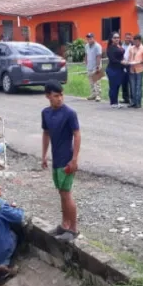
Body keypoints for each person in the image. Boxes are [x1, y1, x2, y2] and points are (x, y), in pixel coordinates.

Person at [41, 81, 81, 242]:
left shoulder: (69, 113)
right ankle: (64, 225)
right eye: (56, 96)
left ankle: (73, 229)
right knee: (61, 194)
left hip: (67, 160)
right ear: (48, 96)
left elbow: (77, 135)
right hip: (56, 159)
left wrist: (74, 159)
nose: (60, 99)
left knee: (66, 193)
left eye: (61, 95)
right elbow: (46, 134)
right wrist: (44, 155)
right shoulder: (46, 113)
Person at [125, 34, 143, 109]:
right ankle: (133, 102)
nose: (136, 43)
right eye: (134, 41)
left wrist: (140, 61)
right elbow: (129, 58)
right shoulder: (131, 48)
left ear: (140, 41)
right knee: (132, 86)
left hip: (139, 69)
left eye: (137, 41)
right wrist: (128, 62)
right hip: (132, 69)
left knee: (138, 86)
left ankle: (138, 103)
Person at [106, 33, 127, 109]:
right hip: (112, 69)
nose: (117, 39)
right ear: (112, 39)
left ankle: (116, 101)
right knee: (113, 86)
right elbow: (112, 59)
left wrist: (124, 60)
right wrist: (121, 62)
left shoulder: (119, 46)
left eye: (118, 37)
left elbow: (121, 55)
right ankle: (113, 102)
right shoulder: (110, 48)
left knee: (118, 85)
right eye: (115, 38)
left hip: (120, 69)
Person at [84, 33, 103, 102]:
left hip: (96, 65)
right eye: (88, 38)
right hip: (89, 65)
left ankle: (98, 95)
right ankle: (93, 94)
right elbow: (86, 54)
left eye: (90, 38)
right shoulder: (86, 46)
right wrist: (85, 61)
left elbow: (99, 56)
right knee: (91, 81)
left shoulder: (97, 46)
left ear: (93, 38)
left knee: (97, 81)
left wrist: (98, 66)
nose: (89, 39)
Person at [120, 33, 133, 104]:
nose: (128, 39)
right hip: (122, 65)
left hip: (130, 65)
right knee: (124, 82)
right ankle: (125, 98)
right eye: (127, 38)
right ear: (124, 38)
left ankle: (132, 98)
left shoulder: (132, 46)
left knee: (131, 83)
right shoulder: (121, 45)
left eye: (129, 38)